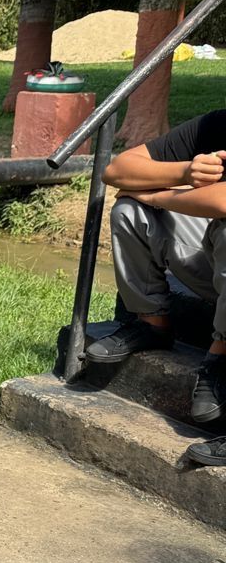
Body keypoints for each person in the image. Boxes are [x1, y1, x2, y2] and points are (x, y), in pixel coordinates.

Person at [85, 107, 226, 467]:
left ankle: (220, 359)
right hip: (216, 267)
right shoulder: (216, 124)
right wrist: (185, 171)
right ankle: (152, 324)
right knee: (131, 208)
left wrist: (160, 195)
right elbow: (116, 171)